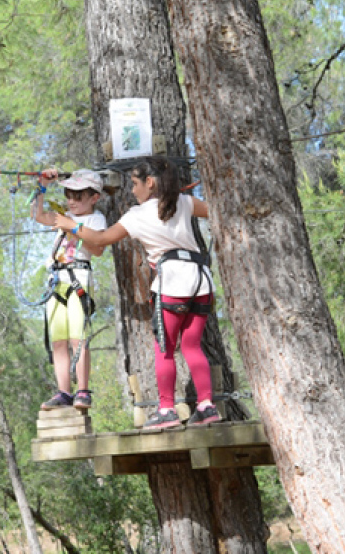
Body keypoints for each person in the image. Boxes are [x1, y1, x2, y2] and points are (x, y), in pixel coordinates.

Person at [51, 156, 220, 429]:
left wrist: (71, 225)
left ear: (149, 183)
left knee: (164, 349)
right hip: (201, 280)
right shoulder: (183, 202)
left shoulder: (137, 215)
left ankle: (166, 409)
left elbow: (101, 239)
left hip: (172, 282)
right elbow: (214, 210)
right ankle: (206, 406)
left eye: (134, 183)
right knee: (192, 346)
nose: (131, 190)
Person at [31, 168, 108, 411]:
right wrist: (42, 186)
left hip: (79, 278)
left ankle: (83, 390)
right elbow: (38, 215)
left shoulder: (95, 219)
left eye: (78, 196)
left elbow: (98, 248)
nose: (71, 201)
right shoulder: (63, 216)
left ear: (94, 197)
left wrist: (72, 227)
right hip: (57, 280)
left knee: (78, 338)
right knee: (58, 342)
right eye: (68, 196)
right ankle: (64, 391)